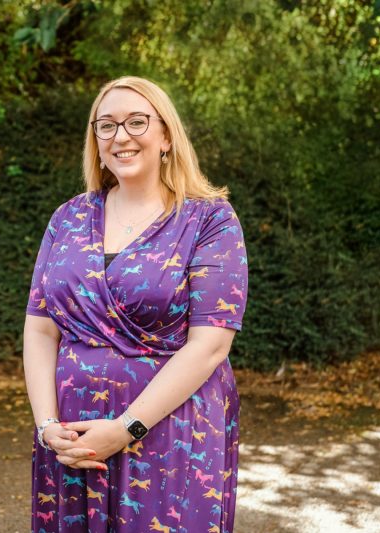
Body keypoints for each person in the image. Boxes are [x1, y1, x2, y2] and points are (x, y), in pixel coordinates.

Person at [23, 76, 248, 532]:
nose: (120, 136)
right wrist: (48, 426)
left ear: (166, 135)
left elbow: (210, 346)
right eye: (105, 126)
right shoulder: (67, 217)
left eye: (136, 122)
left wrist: (126, 429)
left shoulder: (209, 220)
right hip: (70, 441)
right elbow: (40, 328)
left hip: (171, 434)